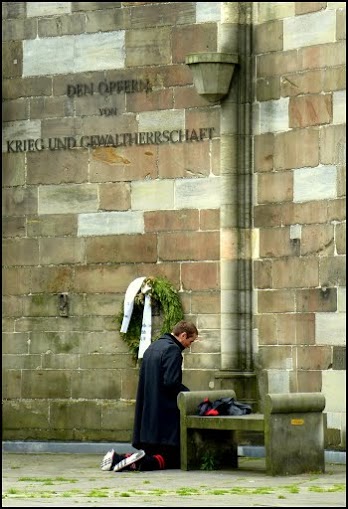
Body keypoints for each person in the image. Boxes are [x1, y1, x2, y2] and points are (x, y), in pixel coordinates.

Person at [101, 320, 198, 472]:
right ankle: (123, 460)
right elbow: (171, 383)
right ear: (183, 335)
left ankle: (119, 458)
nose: (189, 345)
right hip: (164, 420)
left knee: (152, 454)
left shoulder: (153, 347)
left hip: (148, 420)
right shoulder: (173, 350)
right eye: (190, 341)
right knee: (172, 459)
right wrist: (189, 395)